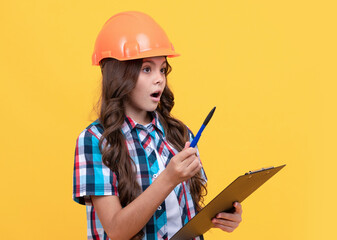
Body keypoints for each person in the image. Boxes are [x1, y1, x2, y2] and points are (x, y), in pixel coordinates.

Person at [72, 11, 242, 240]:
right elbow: (116, 230)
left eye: (162, 69)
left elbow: (182, 212)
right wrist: (169, 178)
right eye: (146, 69)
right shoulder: (96, 140)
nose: (160, 79)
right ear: (118, 74)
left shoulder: (179, 134)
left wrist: (218, 217)